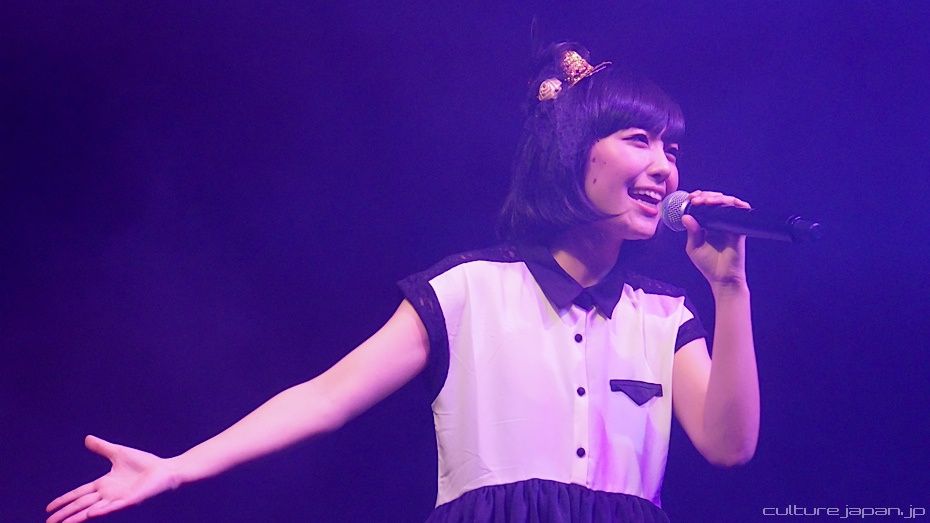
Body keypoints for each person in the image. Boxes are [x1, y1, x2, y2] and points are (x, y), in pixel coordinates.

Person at [46, 42, 759, 523]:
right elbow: (325, 397)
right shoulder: (467, 291)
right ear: (573, 153)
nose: (665, 166)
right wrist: (176, 467)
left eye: (671, 148)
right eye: (639, 140)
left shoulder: (663, 315)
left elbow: (729, 445)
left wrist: (731, 289)